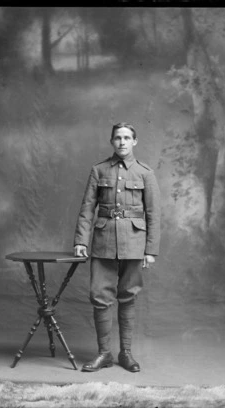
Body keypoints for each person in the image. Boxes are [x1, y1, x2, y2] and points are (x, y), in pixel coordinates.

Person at [74, 122, 160, 373]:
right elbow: (87, 208)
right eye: (117, 138)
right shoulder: (99, 170)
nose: (122, 142)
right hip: (103, 242)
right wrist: (80, 241)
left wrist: (151, 251)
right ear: (111, 142)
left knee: (128, 296)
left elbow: (154, 214)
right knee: (100, 297)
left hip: (135, 243)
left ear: (135, 141)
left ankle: (126, 354)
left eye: (127, 138)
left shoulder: (146, 173)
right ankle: (104, 354)